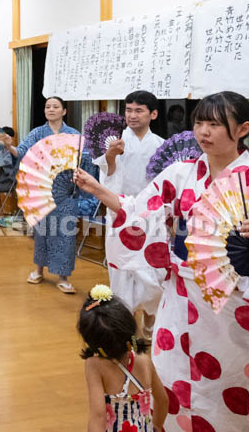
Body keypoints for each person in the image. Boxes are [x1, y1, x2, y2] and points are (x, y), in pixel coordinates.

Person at [73, 91, 249, 431]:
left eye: (215, 124)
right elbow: (139, 211)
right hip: (180, 296)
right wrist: (99, 191)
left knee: (228, 384)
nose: (204, 132)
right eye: (199, 122)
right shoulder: (180, 175)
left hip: (233, 305)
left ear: (243, 128)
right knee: (169, 379)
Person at [93, 90, 165, 339]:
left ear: (153, 114)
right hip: (120, 212)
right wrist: (111, 156)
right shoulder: (114, 141)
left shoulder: (160, 145)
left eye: (139, 110)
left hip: (151, 216)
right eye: (128, 110)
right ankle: (127, 327)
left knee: (153, 273)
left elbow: (165, 185)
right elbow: (108, 179)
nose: (132, 116)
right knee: (122, 271)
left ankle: (150, 317)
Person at [19, 96, 98, 293]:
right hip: (42, 189)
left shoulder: (73, 134)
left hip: (66, 191)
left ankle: (63, 276)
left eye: (55, 107)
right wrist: (7, 145)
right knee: (42, 231)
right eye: (47, 106)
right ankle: (38, 269)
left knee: (66, 232)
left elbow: (84, 160)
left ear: (64, 111)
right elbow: (22, 152)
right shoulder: (37, 133)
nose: (51, 109)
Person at [79, 284, 167, 432]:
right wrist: (157, 425)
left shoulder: (94, 365)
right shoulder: (144, 360)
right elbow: (162, 400)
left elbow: (98, 416)